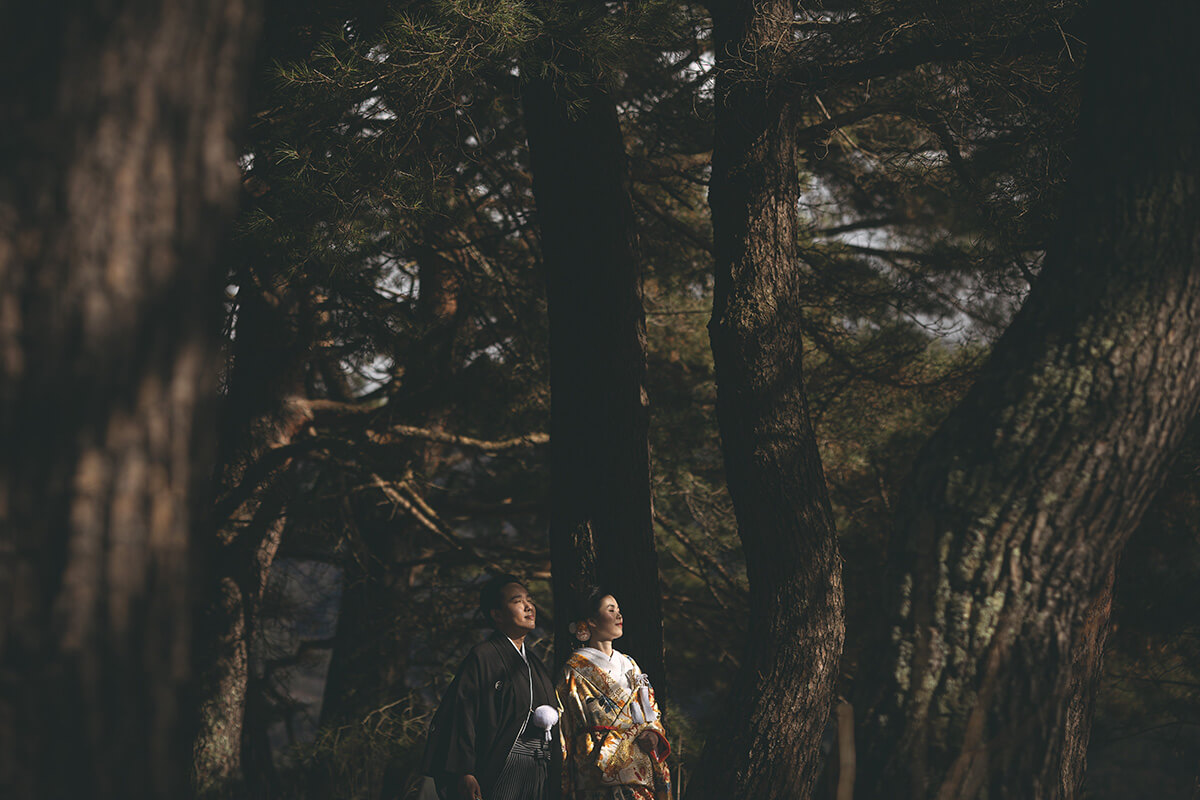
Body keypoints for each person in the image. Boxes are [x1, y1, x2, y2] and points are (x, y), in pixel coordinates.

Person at [420, 574, 562, 800]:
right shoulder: (483, 656)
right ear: (496, 614)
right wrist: (465, 770)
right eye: (517, 601)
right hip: (504, 765)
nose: (528, 606)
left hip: (540, 769)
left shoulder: (534, 664)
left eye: (529, 600)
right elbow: (463, 714)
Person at [558, 590, 671, 800]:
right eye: (611, 610)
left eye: (619, 610)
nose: (619, 616)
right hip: (597, 767)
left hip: (639, 765)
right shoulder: (573, 670)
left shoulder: (630, 665)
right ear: (591, 621)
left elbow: (651, 710)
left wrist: (653, 733)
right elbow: (565, 727)